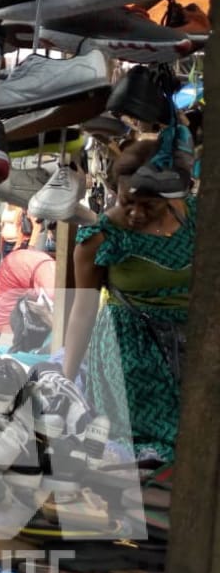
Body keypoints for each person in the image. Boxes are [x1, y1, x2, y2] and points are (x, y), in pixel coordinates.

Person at [63, 139, 195, 463]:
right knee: (143, 450)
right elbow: (83, 309)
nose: (135, 213)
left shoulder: (197, 220)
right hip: (129, 355)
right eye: (126, 202)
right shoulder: (100, 236)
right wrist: (66, 380)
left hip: (190, 343)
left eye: (149, 205)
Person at [0, 247, 56, 349]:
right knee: (1, 313)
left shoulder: (53, 284)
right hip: (13, 269)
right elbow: (53, 320)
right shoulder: (51, 291)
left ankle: (18, 348)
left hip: (27, 265)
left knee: (31, 318)